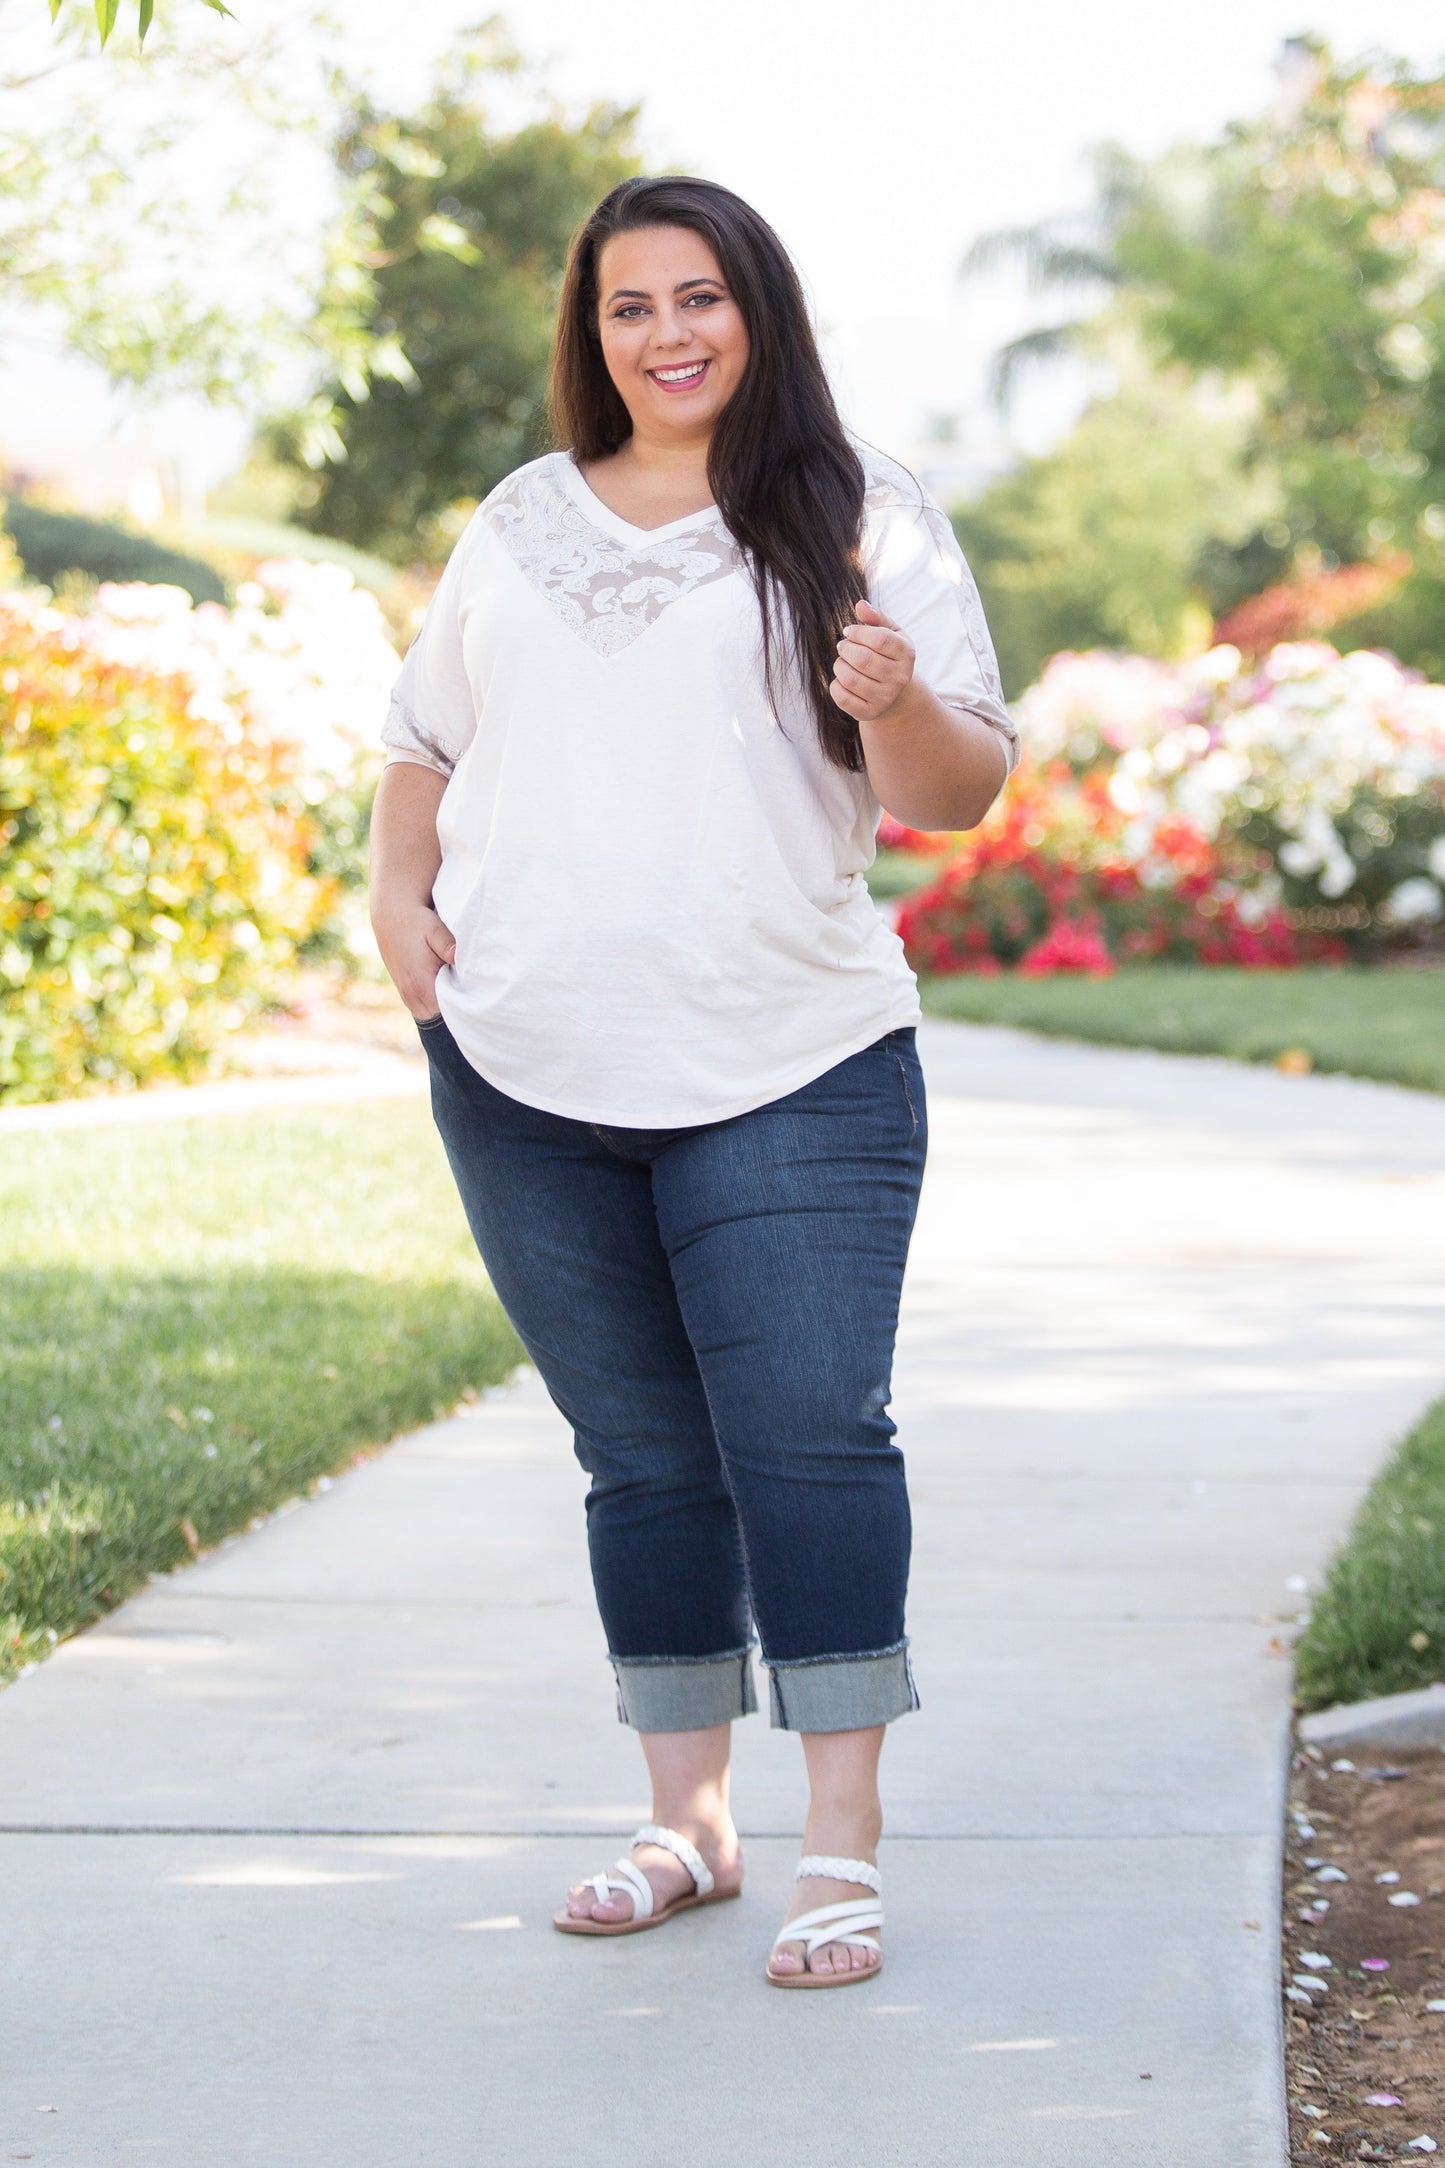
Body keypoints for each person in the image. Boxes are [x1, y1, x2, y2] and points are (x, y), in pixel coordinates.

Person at [369, 175, 1017, 1987]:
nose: (666, 335)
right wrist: (395, 899)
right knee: (640, 1459)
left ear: (760, 310)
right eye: (628, 305)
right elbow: (425, 733)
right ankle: (690, 1823)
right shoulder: (517, 520)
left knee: (808, 1442)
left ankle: (842, 1845)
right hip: (520, 1068)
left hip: (788, 1061)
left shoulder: (858, 511)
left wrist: (887, 692)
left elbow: (956, 792)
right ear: (592, 331)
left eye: (699, 296)